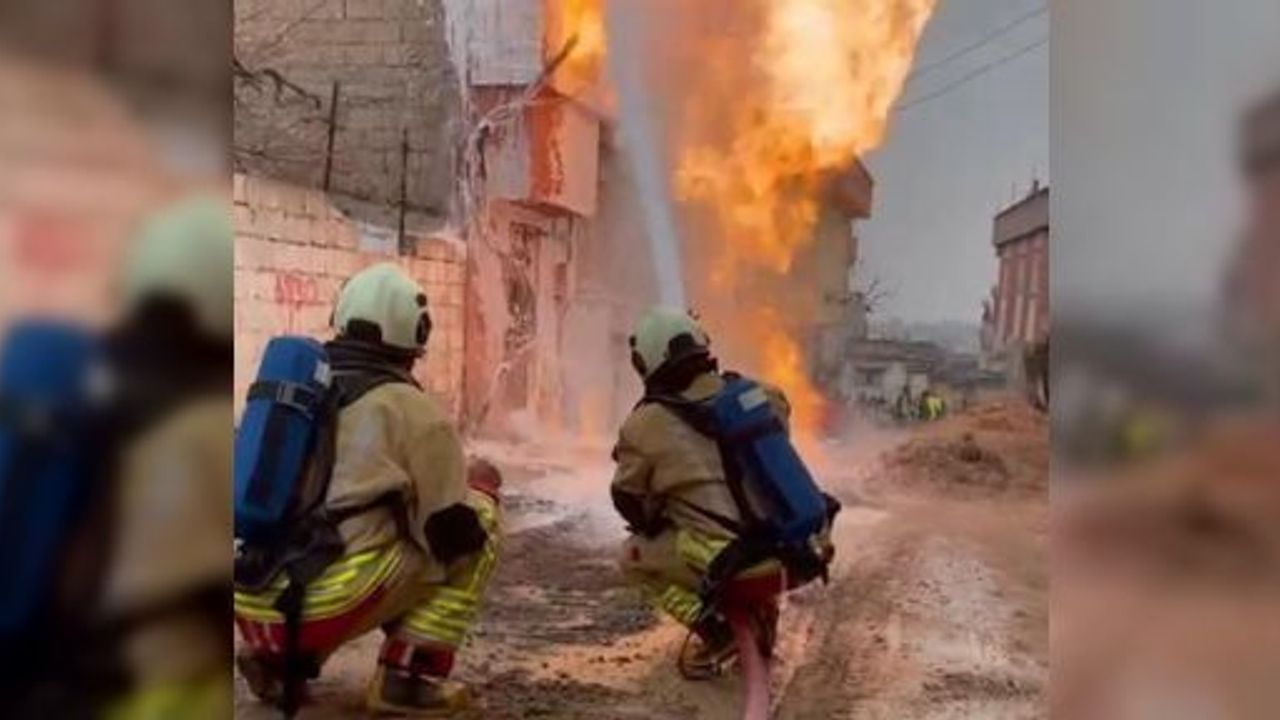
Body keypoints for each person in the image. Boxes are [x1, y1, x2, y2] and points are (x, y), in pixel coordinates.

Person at [233, 263, 501, 716]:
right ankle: (409, 682)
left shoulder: (296, 391)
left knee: (352, 528)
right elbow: (451, 534)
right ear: (418, 331)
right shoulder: (415, 412)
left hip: (253, 597)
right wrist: (480, 489)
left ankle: (280, 665)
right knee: (479, 528)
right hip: (325, 603)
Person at [610, 307, 837, 679]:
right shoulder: (763, 395)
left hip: (734, 568)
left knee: (633, 556)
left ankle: (718, 630)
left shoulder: (643, 426)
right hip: (801, 553)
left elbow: (630, 503)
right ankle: (762, 611)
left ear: (647, 362)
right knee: (747, 528)